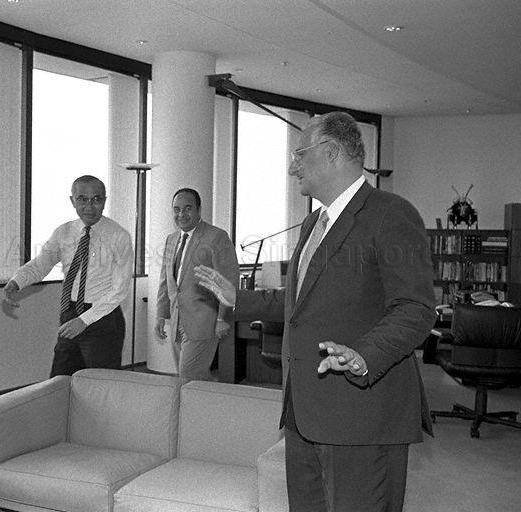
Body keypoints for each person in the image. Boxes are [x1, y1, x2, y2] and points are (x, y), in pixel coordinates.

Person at [195, 112, 435, 512]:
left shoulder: (391, 213)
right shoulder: (311, 224)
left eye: (299, 155)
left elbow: (415, 308)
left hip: (362, 413)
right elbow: (301, 302)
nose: (292, 167)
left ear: (331, 152)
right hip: (302, 411)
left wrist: (364, 355)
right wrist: (241, 300)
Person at [3, 175, 133, 377]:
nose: (89, 206)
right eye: (82, 199)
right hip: (70, 313)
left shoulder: (119, 236)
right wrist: (16, 282)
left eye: (96, 199)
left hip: (103, 317)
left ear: (104, 201)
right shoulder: (63, 232)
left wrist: (84, 320)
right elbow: (41, 263)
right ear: (72, 201)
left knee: (100, 386)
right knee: (60, 381)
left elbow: (120, 289)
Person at [155, 188, 239, 382]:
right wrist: (161, 314)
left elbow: (230, 280)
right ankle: (209, 407)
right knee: (194, 377)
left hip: (204, 321)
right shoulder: (171, 239)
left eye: (187, 208)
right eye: (176, 209)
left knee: (189, 376)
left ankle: (196, 410)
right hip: (177, 320)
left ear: (199, 210)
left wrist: (223, 318)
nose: (181, 214)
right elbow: (166, 281)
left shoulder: (216, 237)